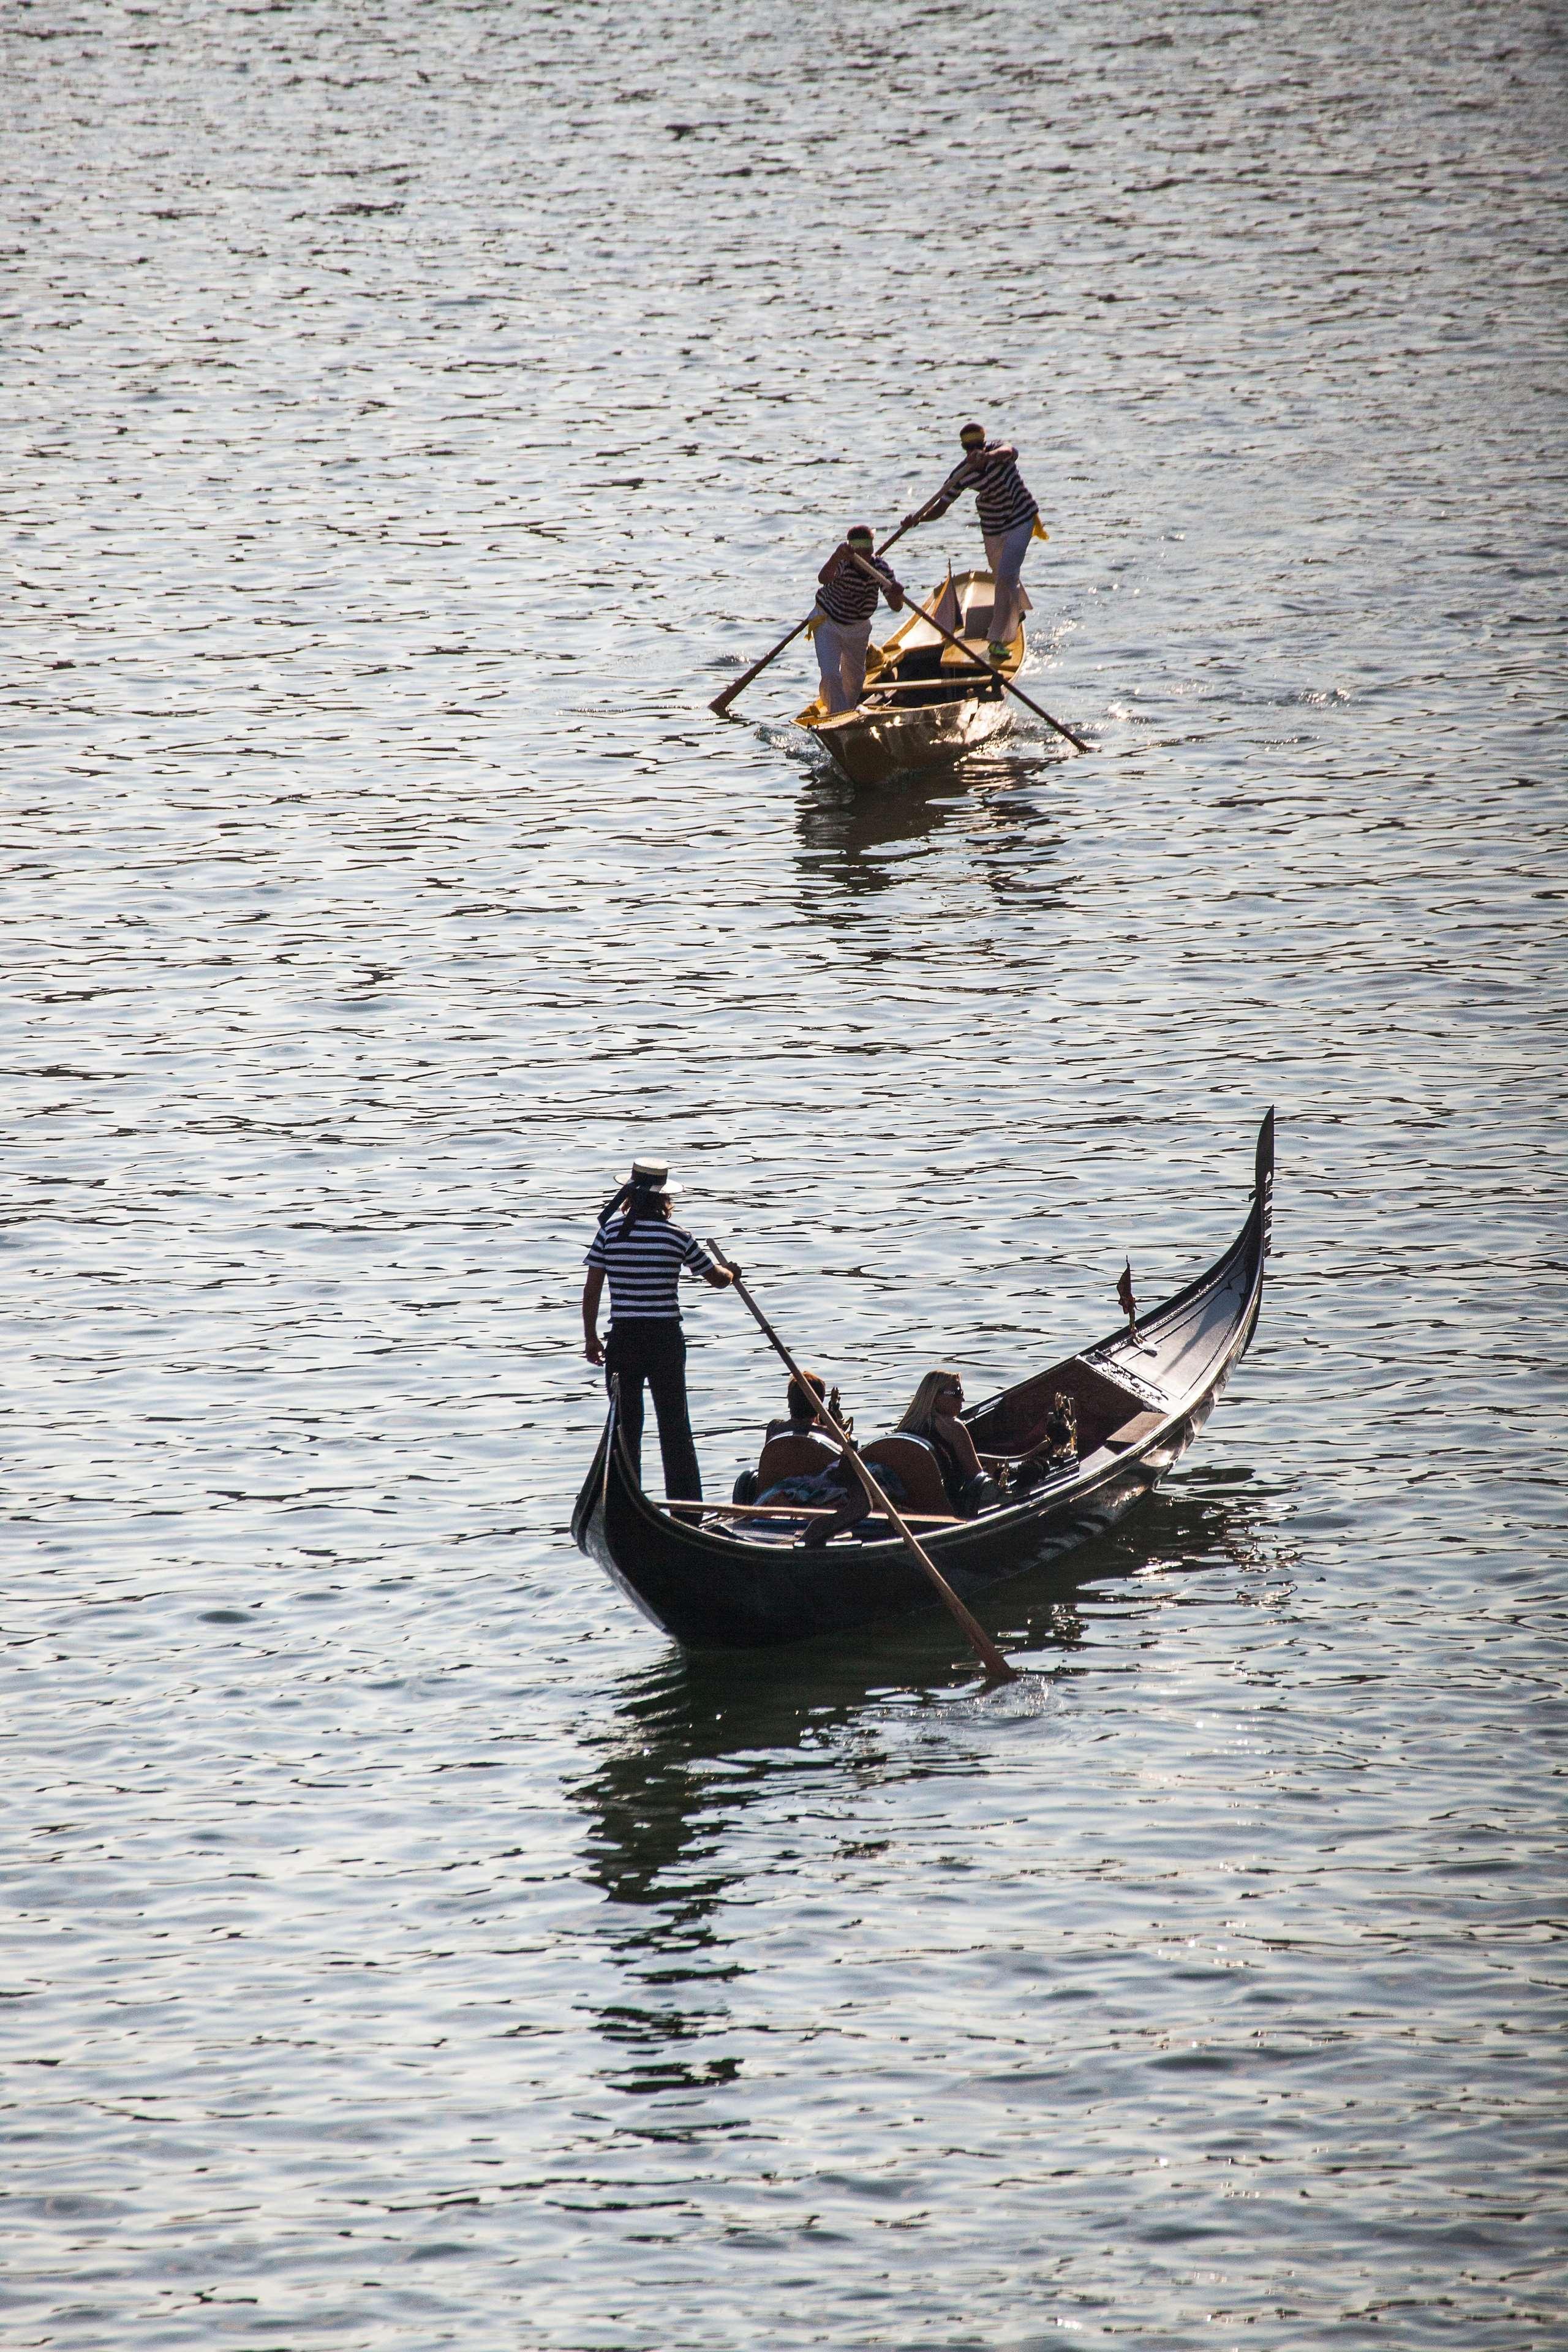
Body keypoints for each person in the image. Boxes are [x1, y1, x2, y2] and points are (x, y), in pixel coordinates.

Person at [582, 1158, 737, 1503]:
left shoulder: (609, 1233)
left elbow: (592, 1290)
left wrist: (591, 1337)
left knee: (625, 1429)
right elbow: (716, 1279)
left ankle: (624, 1501)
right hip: (665, 1341)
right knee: (675, 1427)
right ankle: (687, 1509)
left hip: (623, 1340)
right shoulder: (677, 1236)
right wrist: (731, 1272)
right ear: (664, 1199)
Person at [905, 421, 1042, 665]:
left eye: (977, 446)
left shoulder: (999, 452)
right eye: (969, 449)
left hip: (1022, 520)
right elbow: (941, 507)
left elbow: (1009, 452)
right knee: (1003, 575)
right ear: (964, 449)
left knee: (1007, 576)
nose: (974, 452)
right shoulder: (962, 473)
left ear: (984, 443)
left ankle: (997, 640)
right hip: (993, 528)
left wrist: (987, 455)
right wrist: (917, 520)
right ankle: (1016, 609)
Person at [813, 526, 905, 716]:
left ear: (872, 550)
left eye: (868, 552)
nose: (863, 557)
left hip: (858, 627)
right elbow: (823, 578)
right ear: (852, 550)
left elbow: (896, 607)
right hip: (827, 622)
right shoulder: (842, 563)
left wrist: (898, 595)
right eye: (859, 552)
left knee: (855, 679)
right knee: (831, 674)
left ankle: (842, 709)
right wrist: (836, 557)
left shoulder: (880, 569)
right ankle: (838, 715)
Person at [895, 1368, 992, 1515]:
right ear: (935, 1397)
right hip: (949, 1507)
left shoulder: (905, 1427)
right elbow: (977, 1476)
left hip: (911, 1503)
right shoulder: (954, 1427)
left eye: (962, 1394)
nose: (962, 1400)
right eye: (957, 1393)